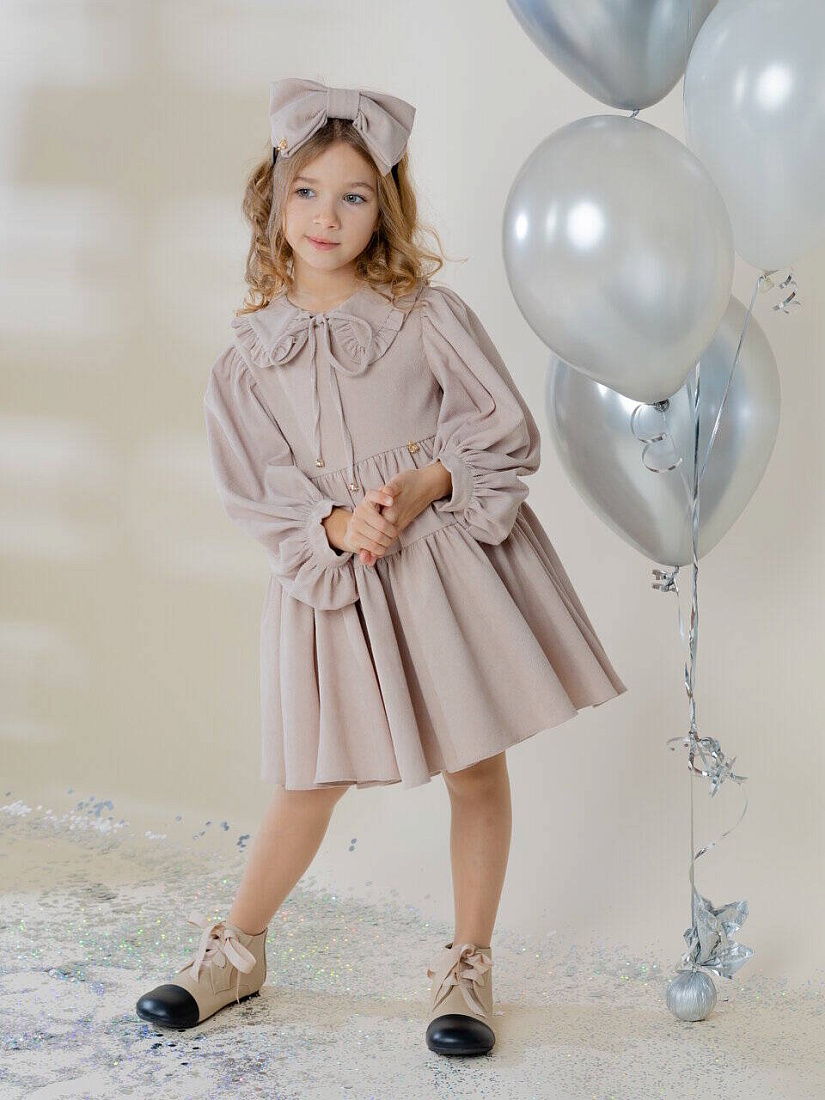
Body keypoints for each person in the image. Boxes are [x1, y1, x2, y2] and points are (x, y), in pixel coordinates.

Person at [135, 77, 627, 1056]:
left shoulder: (423, 314)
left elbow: (499, 428)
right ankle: (237, 948)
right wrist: (333, 523)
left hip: (441, 572)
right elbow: (255, 490)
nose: (326, 216)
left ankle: (468, 965)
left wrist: (420, 484)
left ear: (384, 207)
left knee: (474, 767)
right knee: (310, 780)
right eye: (308, 191)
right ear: (274, 198)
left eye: (353, 195)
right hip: (334, 588)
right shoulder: (247, 360)